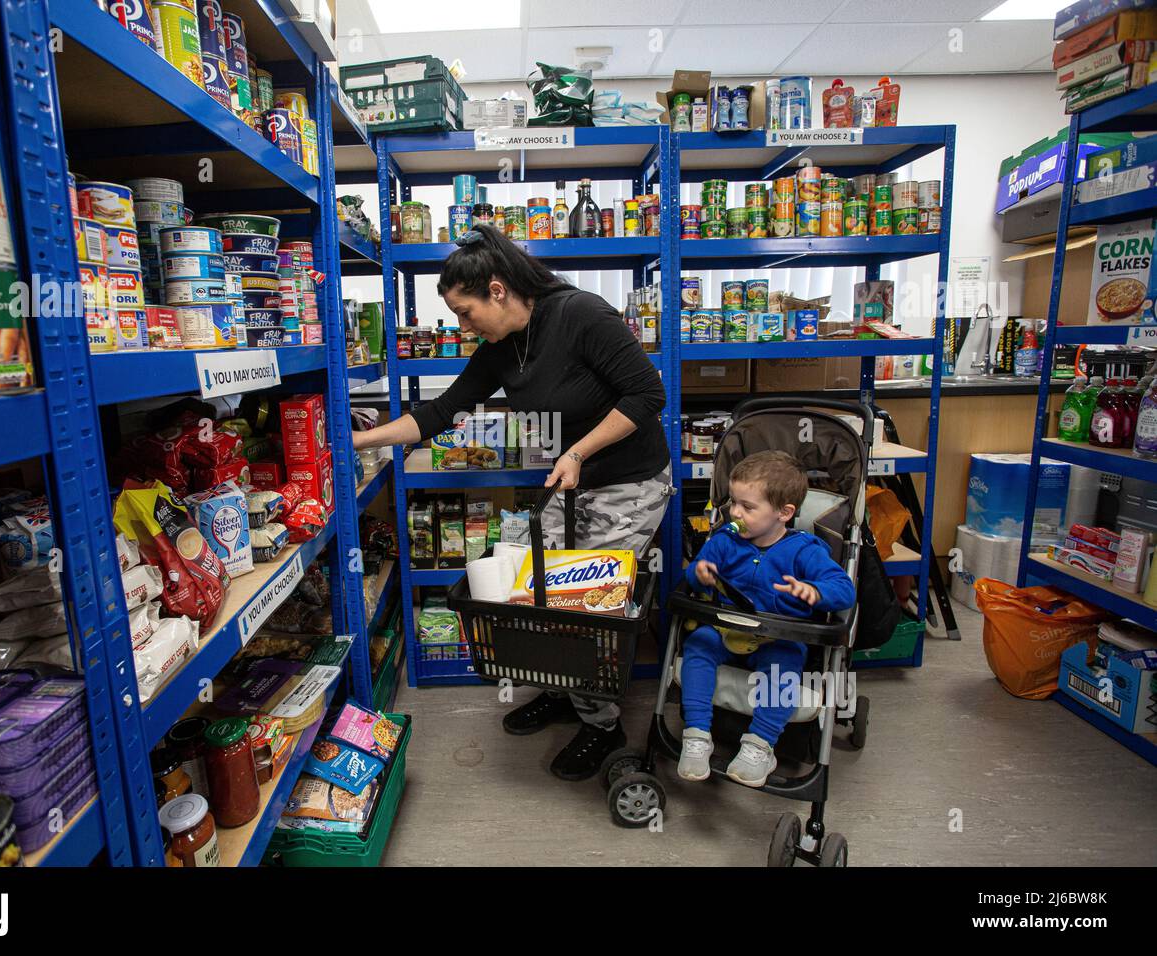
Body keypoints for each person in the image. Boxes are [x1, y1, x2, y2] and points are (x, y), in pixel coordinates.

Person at [352, 224, 671, 780]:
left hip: (628, 480)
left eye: (465, 311)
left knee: (581, 604)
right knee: (528, 589)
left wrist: (577, 450)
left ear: (497, 289)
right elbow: (438, 413)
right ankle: (562, 690)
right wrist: (354, 441)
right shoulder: (500, 346)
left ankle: (601, 722)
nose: (462, 324)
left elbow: (648, 393)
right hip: (567, 481)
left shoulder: (581, 314)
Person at [679, 450, 855, 787]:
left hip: (777, 637)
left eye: (747, 506)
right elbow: (694, 573)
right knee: (699, 644)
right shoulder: (724, 541)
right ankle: (697, 733)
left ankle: (760, 745)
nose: (734, 512)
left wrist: (814, 591)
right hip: (725, 629)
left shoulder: (805, 551)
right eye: (733, 502)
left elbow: (843, 589)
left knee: (785, 664)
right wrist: (698, 573)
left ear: (784, 513)